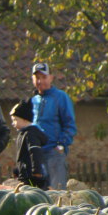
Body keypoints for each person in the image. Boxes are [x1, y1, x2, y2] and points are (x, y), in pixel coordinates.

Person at [30, 62, 77, 190]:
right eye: (37, 78)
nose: (40, 81)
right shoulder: (33, 100)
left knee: (56, 192)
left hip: (54, 152)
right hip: (37, 154)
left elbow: (70, 124)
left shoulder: (60, 97)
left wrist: (61, 145)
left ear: (51, 77)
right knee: (39, 193)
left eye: (44, 77)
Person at [10, 99, 49, 190]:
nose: (13, 123)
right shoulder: (22, 134)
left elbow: (35, 152)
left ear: (24, 119)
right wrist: (18, 170)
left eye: (15, 120)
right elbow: (23, 157)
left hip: (32, 177)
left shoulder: (31, 134)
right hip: (25, 174)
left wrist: (36, 172)